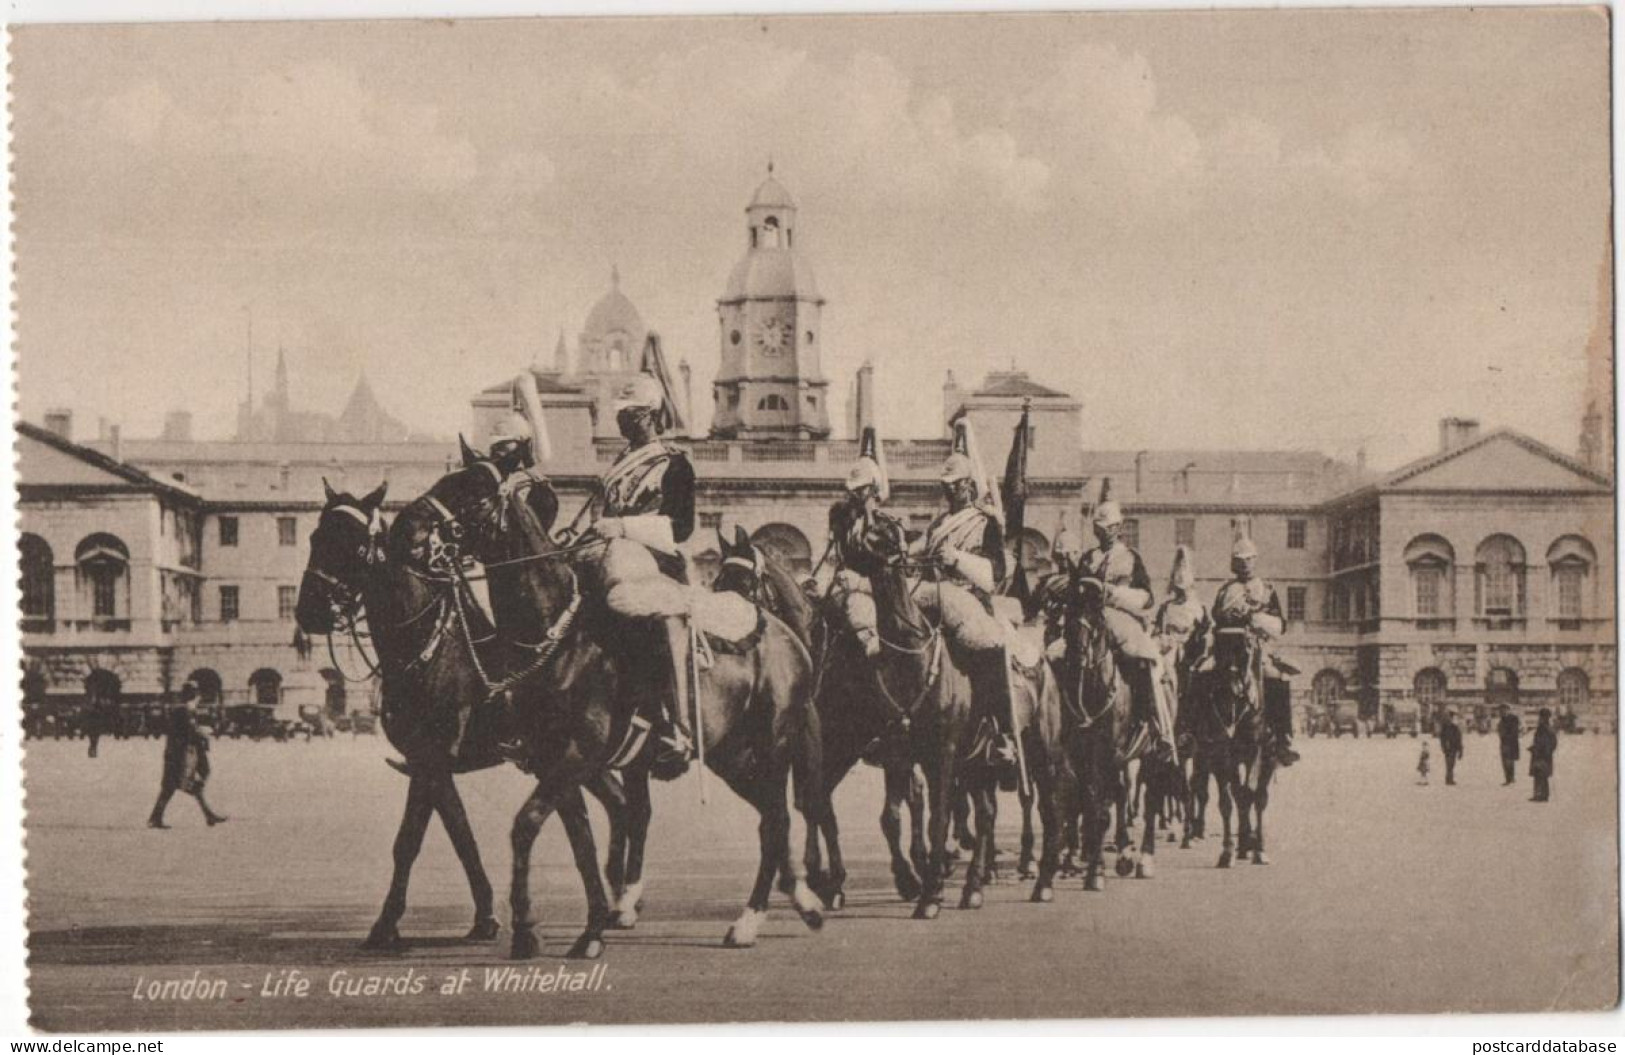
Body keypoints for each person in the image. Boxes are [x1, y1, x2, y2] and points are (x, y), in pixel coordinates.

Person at [580, 370, 699, 779]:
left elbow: (681, 528)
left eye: (628, 413)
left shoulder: (674, 464)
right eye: (620, 414)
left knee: (650, 615)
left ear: (649, 415)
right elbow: (604, 517)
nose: (620, 421)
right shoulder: (617, 465)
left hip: (656, 562)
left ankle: (671, 723)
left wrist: (625, 527)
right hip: (612, 556)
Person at [913, 422, 1017, 772]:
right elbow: (919, 552)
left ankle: (999, 731)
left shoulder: (985, 523)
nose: (951, 492)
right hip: (933, 600)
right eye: (947, 487)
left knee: (991, 648)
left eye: (957, 486)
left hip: (970, 601)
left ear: (970, 486)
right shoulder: (938, 524)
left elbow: (995, 574)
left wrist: (957, 560)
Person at [1076, 480, 1175, 761]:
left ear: (1118, 528)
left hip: (1123, 620)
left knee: (1147, 659)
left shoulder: (1131, 559)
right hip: (1090, 619)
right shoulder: (1087, 558)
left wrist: (1113, 594)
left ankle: (1155, 726)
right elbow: (1076, 592)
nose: (1104, 533)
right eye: (1099, 528)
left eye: (1109, 528)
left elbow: (1146, 598)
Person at [1212, 519, 1298, 767]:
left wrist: (1254, 618)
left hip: (1259, 647)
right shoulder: (1225, 591)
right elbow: (1216, 617)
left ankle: (1282, 739)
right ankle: (1196, 730)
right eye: (1240, 560)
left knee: (1277, 679)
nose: (1245, 565)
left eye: (1249, 559)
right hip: (1227, 648)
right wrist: (1230, 618)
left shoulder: (1267, 589)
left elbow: (1280, 624)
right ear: (1234, 564)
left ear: (1255, 560)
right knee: (1202, 674)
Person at [826, 426, 887, 659]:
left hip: (873, 598)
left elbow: (890, 581)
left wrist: (859, 583)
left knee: (859, 610)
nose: (854, 496)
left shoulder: (885, 529)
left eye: (860, 490)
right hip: (848, 590)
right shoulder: (848, 524)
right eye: (852, 491)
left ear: (872, 489)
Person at [147, 683, 226, 829]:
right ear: (194, 695)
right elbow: (187, 732)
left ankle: (208, 815)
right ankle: (155, 818)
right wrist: (202, 733)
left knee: (175, 786)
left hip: (179, 753)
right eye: (196, 694)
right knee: (173, 786)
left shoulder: (185, 710)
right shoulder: (183, 711)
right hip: (179, 755)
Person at [1529, 708, 1557, 802]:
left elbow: (1551, 743)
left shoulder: (1545, 729)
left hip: (1542, 756)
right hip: (1542, 755)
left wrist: (1543, 750)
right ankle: (1542, 795)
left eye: (1541, 717)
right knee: (1541, 775)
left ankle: (1541, 796)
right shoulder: (1545, 728)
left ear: (1544, 718)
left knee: (1541, 775)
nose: (1539, 719)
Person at [1437, 707, 1464, 786]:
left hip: (1452, 748)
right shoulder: (1446, 727)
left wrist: (1460, 750)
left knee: (1451, 764)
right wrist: (1443, 746)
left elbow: (1459, 739)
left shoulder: (1454, 728)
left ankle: (1449, 778)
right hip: (1449, 748)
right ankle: (1449, 779)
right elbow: (1442, 738)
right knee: (1449, 764)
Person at [1497, 703, 1521, 785]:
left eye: (1503, 710)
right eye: (1500, 710)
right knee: (1505, 761)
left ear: (1508, 710)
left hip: (1511, 743)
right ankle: (1509, 778)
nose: (1501, 712)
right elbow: (1500, 729)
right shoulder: (1502, 719)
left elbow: (1514, 731)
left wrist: (1505, 735)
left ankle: (1510, 778)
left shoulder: (1513, 718)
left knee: (1509, 761)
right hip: (1504, 743)